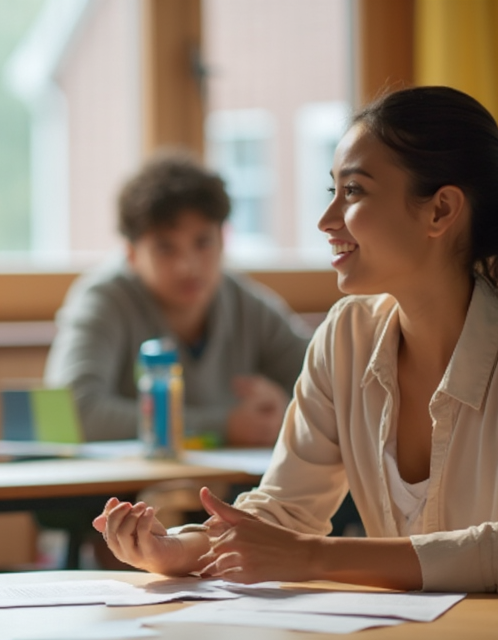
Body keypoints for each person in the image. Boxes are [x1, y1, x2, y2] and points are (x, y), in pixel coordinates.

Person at [92, 86, 498, 597]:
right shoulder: (345, 336)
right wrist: (180, 548)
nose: (326, 219)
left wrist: (314, 556)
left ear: (440, 210)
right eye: (331, 191)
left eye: (353, 192)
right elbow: (283, 513)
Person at [45, 154, 311, 447]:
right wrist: (223, 425)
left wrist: (282, 408)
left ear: (223, 241)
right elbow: (72, 413)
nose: (188, 266)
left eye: (203, 242)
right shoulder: (103, 300)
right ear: (131, 255)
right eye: (165, 249)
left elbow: (325, 381)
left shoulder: (244, 301)